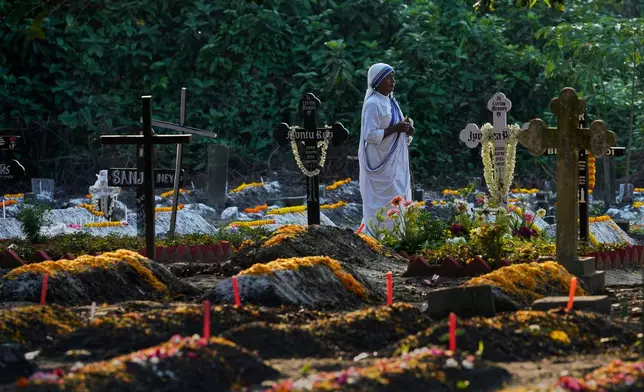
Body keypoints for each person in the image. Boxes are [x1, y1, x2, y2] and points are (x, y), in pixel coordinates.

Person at [358, 63, 414, 237]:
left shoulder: (392, 102)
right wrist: (396, 128)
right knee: (381, 202)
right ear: (377, 81)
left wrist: (407, 131)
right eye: (388, 77)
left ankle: (398, 236)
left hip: (395, 163)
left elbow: (400, 135)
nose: (393, 81)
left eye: (393, 77)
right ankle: (378, 236)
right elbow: (370, 135)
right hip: (379, 161)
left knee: (398, 195)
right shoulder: (373, 103)